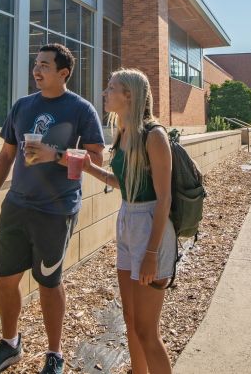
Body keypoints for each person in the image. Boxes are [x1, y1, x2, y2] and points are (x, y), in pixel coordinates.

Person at [0, 43, 105, 374]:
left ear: (64, 73)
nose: (37, 69)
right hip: (17, 204)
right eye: (36, 63)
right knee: (5, 279)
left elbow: (97, 160)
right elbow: (6, 156)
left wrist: (56, 156)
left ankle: (54, 353)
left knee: (49, 282)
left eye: (45, 65)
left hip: (56, 209)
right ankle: (9, 344)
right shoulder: (22, 106)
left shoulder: (81, 110)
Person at [80, 68, 176, 374]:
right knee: (132, 322)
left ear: (129, 95)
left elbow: (164, 199)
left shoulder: (154, 135)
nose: (105, 93)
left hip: (151, 227)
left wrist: (151, 253)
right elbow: (124, 182)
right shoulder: (122, 133)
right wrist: (87, 167)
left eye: (111, 88)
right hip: (127, 221)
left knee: (149, 332)